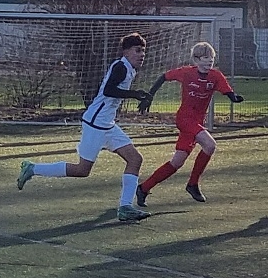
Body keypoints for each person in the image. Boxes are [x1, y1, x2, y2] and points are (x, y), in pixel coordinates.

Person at [17, 32, 153, 222]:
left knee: (135, 159)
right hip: (95, 124)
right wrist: (134, 94)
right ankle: (32, 168)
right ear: (126, 52)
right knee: (82, 170)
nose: (142, 55)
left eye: (143, 51)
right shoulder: (121, 67)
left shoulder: (129, 68)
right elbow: (108, 90)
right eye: (137, 50)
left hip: (107, 125)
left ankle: (125, 207)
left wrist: (138, 95)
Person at [134, 42, 244, 205]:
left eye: (212, 58)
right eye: (206, 57)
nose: (210, 61)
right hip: (185, 119)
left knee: (177, 162)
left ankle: (143, 188)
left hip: (197, 122)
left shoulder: (215, 76)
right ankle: (193, 184)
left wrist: (234, 98)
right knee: (210, 145)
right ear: (196, 59)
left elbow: (227, 90)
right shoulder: (186, 73)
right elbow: (164, 77)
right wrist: (150, 96)